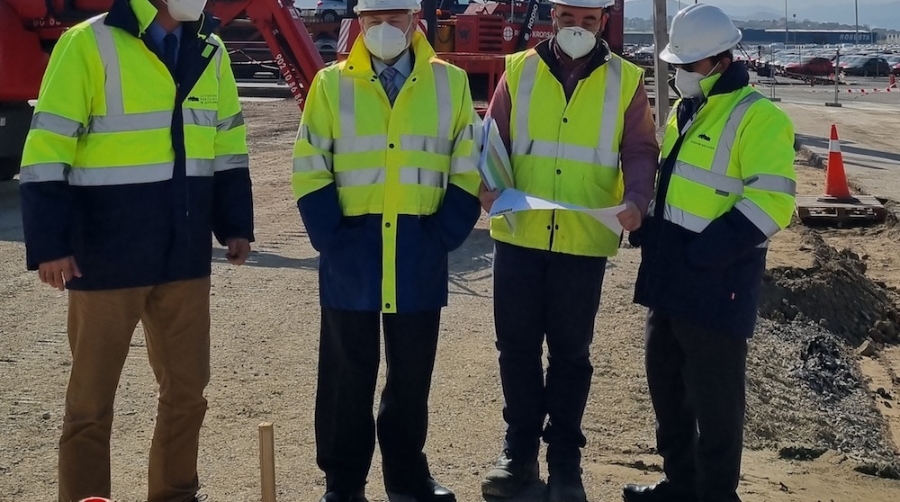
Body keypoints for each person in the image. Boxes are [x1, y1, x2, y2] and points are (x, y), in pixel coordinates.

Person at [18, 0, 253, 501]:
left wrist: (235, 224)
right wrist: (50, 244)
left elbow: (228, 141)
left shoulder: (210, 49)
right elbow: (46, 150)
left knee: (187, 396)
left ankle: (174, 495)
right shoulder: (88, 43)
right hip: (104, 255)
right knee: (90, 404)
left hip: (183, 255)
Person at [290, 0, 482, 500]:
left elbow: (466, 160)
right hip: (352, 248)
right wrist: (331, 237)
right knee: (345, 374)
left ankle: (406, 476)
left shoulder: (449, 83)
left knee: (412, 374)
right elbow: (310, 162)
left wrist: (446, 233)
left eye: (395, 20)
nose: (384, 30)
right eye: (374, 21)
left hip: (420, 246)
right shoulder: (331, 85)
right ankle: (344, 482)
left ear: (415, 22)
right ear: (359, 23)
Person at [477, 0, 659, 499]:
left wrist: (637, 200)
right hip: (519, 233)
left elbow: (640, 148)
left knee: (571, 354)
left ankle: (565, 462)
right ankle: (518, 455)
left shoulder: (625, 80)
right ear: (552, 17)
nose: (576, 28)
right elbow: (492, 138)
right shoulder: (519, 70)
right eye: (567, 18)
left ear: (603, 22)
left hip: (583, 240)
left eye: (588, 20)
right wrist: (487, 187)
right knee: (515, 348)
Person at [622, 4, 796, 502]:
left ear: (720, 61)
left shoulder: (758, 117)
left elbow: (772, 202)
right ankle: (681, 484)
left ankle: (716, 493)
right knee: (668, 390)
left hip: (720, 280)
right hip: (671, 278)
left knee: (716, 399)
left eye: (687, 65)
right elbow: (676, 186)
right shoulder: (687, 110)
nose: (679, 74)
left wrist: (704, 254)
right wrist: (649, 230)